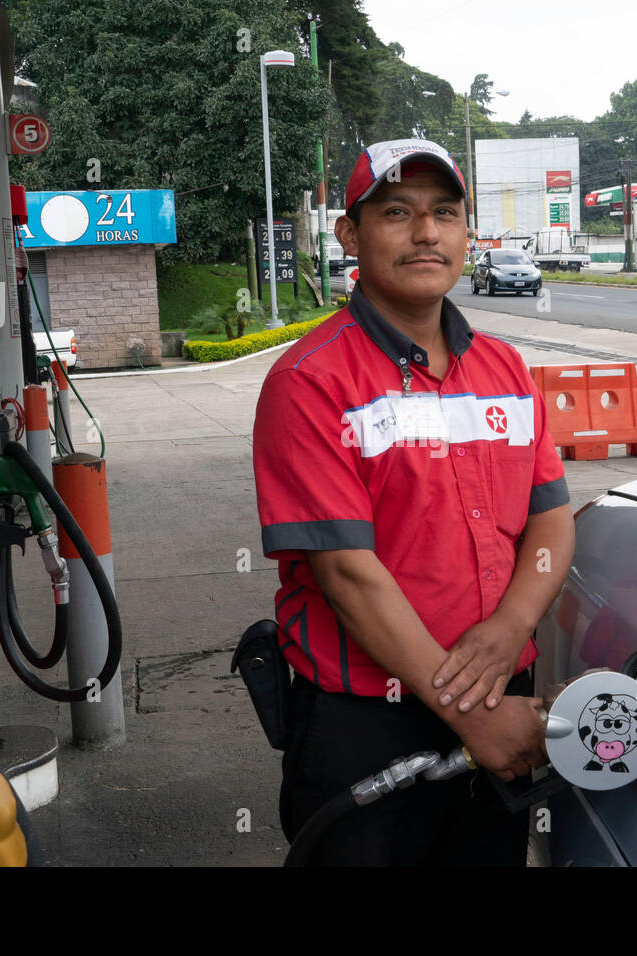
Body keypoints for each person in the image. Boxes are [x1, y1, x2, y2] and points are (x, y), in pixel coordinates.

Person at [251, 138, 575, 865]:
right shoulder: (310, 381)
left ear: (466, 233)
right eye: (397, 212)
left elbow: (551, 515)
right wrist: (469, 713)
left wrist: (512, 625)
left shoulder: (503, 368)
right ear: (350, 234)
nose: (426, 233)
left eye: (444, 213)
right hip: (368, 719)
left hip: (501, 694)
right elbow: (346, 573)